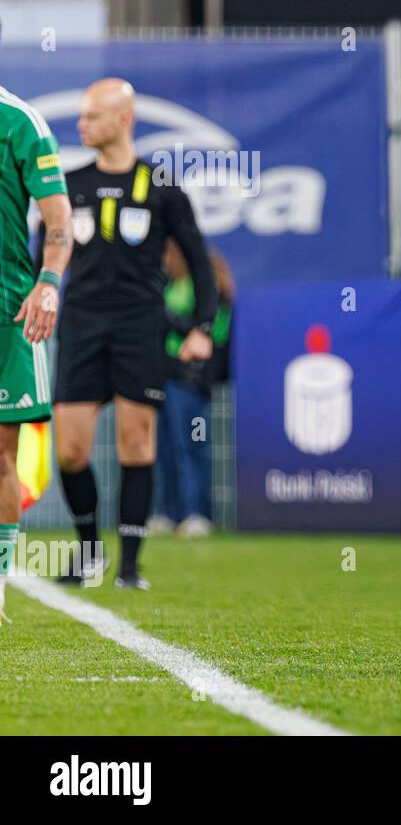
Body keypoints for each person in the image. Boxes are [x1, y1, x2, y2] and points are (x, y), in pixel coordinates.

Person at [48, 78, 217, 590]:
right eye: (80, 116)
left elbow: (201, 266)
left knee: (136, 443)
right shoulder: (68, 184)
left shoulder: (162, 187)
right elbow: (47, 255)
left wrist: (201, 328)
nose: (81, 125)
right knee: (70, 450)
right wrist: (42, 296)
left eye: (92, 116)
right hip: (80, 324)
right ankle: (90, 553)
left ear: (124, 120)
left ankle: (129, 567)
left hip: (139, 326)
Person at [0, 84, 73, 621]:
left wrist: (47, 282)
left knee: (0, 455)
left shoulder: (20, 121)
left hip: (5, 311)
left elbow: (59, 221)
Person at [151, 241, 234, 538]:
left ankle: (197, 513)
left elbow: (212, 331)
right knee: (165, 448)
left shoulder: (207, 289)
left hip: (191, 380)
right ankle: (167, 512)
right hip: (166, 377)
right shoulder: (173, 285)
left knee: (191, 445)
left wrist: (170, 320)